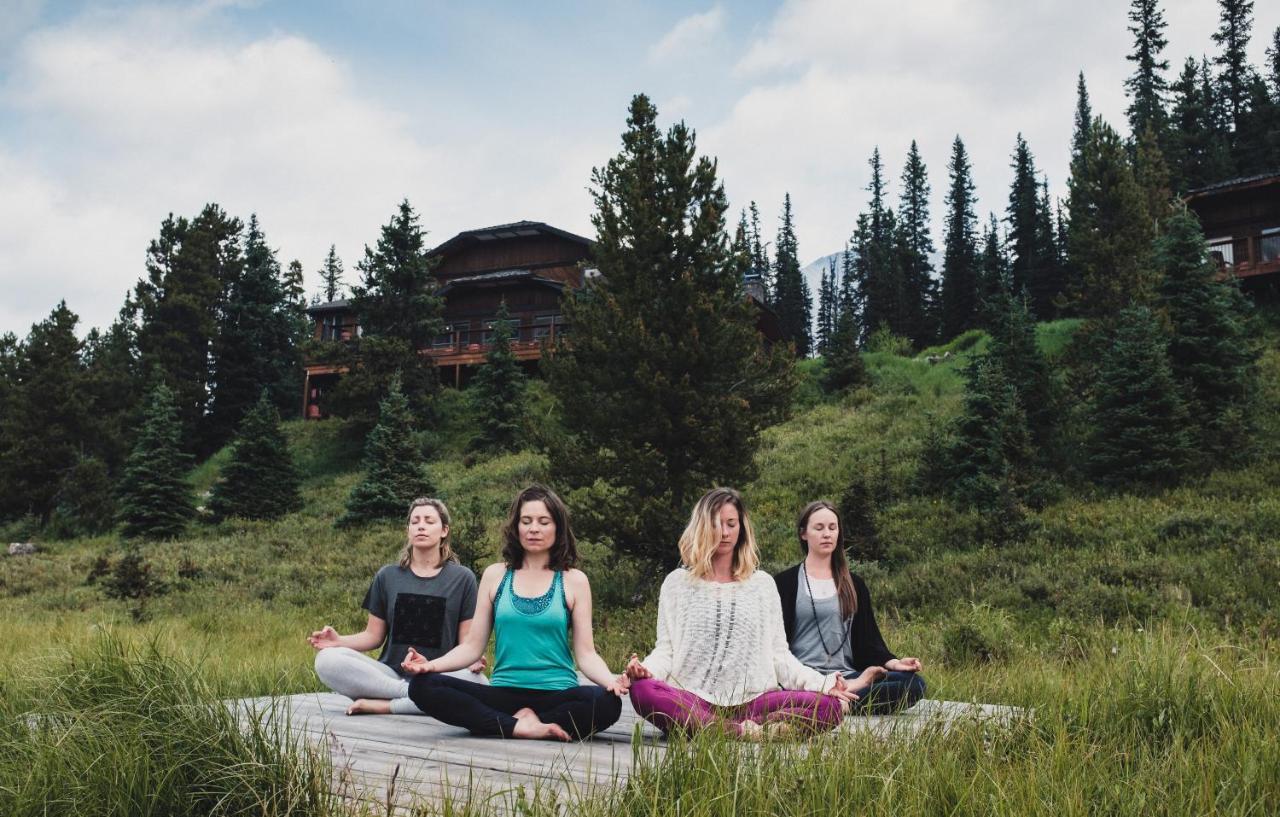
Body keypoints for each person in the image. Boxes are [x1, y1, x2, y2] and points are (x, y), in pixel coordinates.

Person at [625, 487, 857, 739]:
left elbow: (780, 656)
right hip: (692, 698)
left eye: (731, 524)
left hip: (754, 700)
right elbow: (666, 651)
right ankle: (744, 731)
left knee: (830, 707)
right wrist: (644, 670)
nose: (724, 533)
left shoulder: (762, 584)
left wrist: (824, 684)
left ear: (741, 528)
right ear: (701, 527)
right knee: (643, 691)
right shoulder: (677, 583)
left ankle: (716, 728)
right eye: (716, 524)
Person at [402, 485, 624, 741]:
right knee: (422, 686)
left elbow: (586, 654)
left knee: (608, 702)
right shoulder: (496, 575)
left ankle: (510, 724)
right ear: (516, 527)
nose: (533, 529)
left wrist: (610, 680)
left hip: (557, 694)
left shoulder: (574, 580)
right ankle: (521, 726)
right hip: (503, 694)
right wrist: (430, 665)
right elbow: (472, 647)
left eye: (544, 522)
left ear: (557, 528)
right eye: (526, 521)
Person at [308, 497, 487, 716]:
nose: (421, 526)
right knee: (327, 660)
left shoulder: (463, 578)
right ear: (408, 530)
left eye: (429, 521)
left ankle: (388, 705)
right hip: (389, 676)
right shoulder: (388, 576)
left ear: (444, 530)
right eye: (415, 521)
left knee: (478, 683)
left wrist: (474, 658)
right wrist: (339, 641)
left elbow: (467, 641)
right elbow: (373, 636)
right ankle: (413, 695)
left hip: (439, 673)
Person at [773, 500, 925, 714]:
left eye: (832, 528)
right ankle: (826, 699)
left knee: (913, 684)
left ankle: (835, 703)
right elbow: (775, 645)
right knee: (780, 690)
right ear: (803, 533)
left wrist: (894, 663)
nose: (827, 534)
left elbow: (869, 642)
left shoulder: (854, 584)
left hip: (849, 678)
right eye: (819, 528)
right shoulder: (784, 583)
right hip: (803, 678)